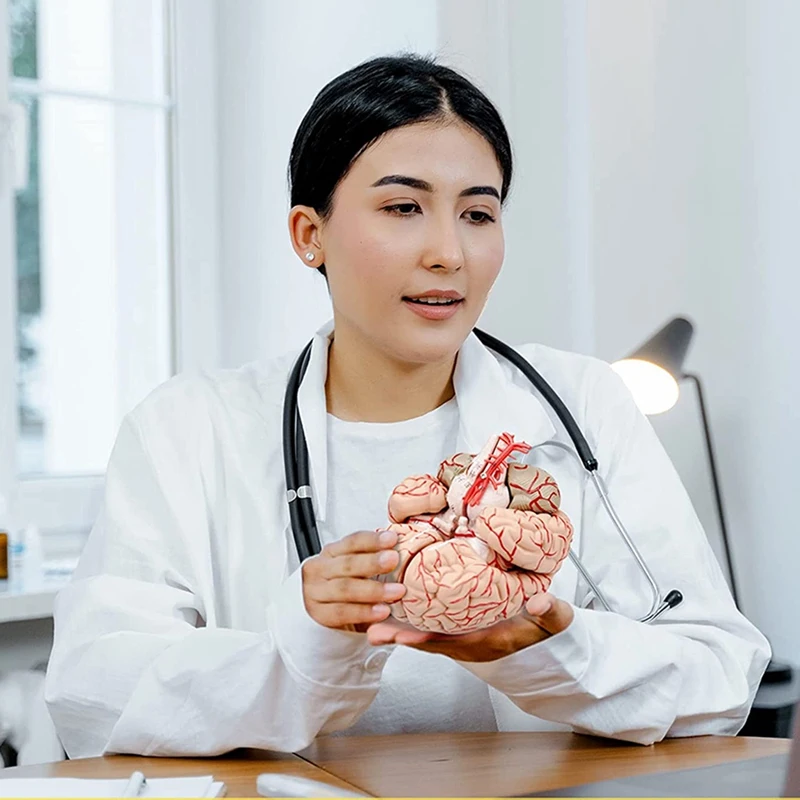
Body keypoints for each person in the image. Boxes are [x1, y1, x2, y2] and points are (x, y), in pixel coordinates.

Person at [44, 54, 770, 759]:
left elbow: (720, 675)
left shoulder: (580, 403)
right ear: (310, 234)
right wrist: (305, 643)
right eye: (402, 207)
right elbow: (92, 695)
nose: (449, 252)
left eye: (478, 214)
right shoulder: (189, 429)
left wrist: (549, 646)